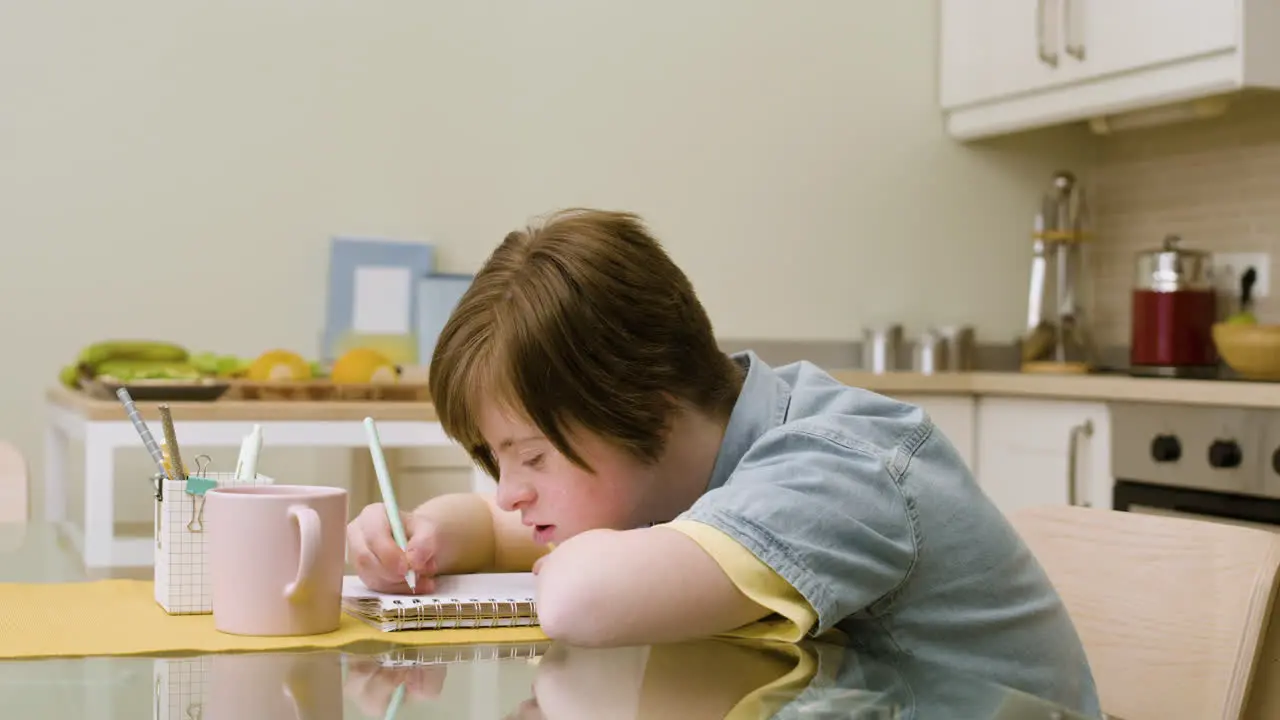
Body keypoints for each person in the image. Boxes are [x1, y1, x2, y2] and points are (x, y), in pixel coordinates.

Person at [346, 208, 1101, 716]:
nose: (512, 494)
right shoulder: (689, 473)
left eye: (532, 457)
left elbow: (579, 598)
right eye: (495, 460)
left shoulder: (830, 466)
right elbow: (499, 526)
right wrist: (421, 532)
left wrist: (540, 550)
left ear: (649, 405)